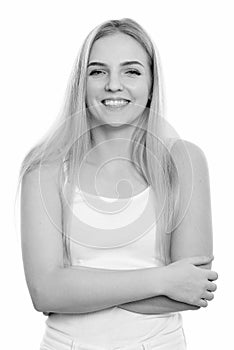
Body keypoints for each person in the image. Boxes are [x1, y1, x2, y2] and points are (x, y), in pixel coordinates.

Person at [18, 18, 218, 350]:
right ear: (81, 84)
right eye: (98, 71)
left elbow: (193, 291)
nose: (114, 85)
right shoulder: (44, 168)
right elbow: (45, 292)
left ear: (152, 83)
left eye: (132, 71)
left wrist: (77, 292)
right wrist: (163, 280)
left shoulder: (184, 161)